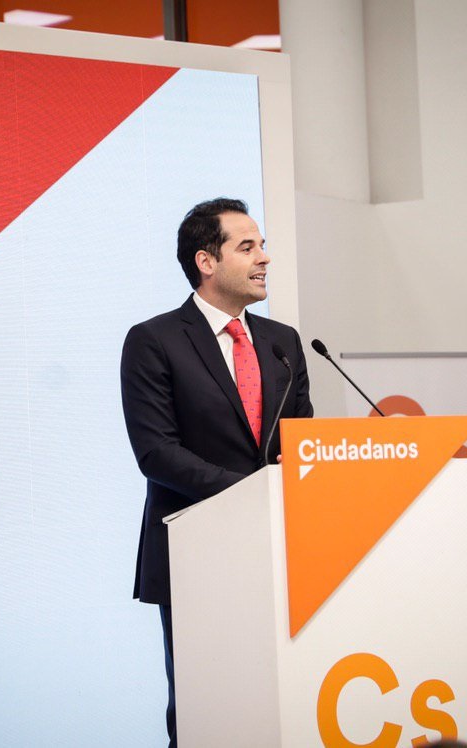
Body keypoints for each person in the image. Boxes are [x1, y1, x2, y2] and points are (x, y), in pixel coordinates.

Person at [120, 198, 313, 746]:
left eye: (264, 245)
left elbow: (301, 439)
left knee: (280, 703)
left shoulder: (283, 343)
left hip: (282, 553)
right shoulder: (154, 341)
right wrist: (253, 494)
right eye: (247, 246)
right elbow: (157, 452)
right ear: (207, 262)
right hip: (196, 553)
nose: (264, 258)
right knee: (209, 712)